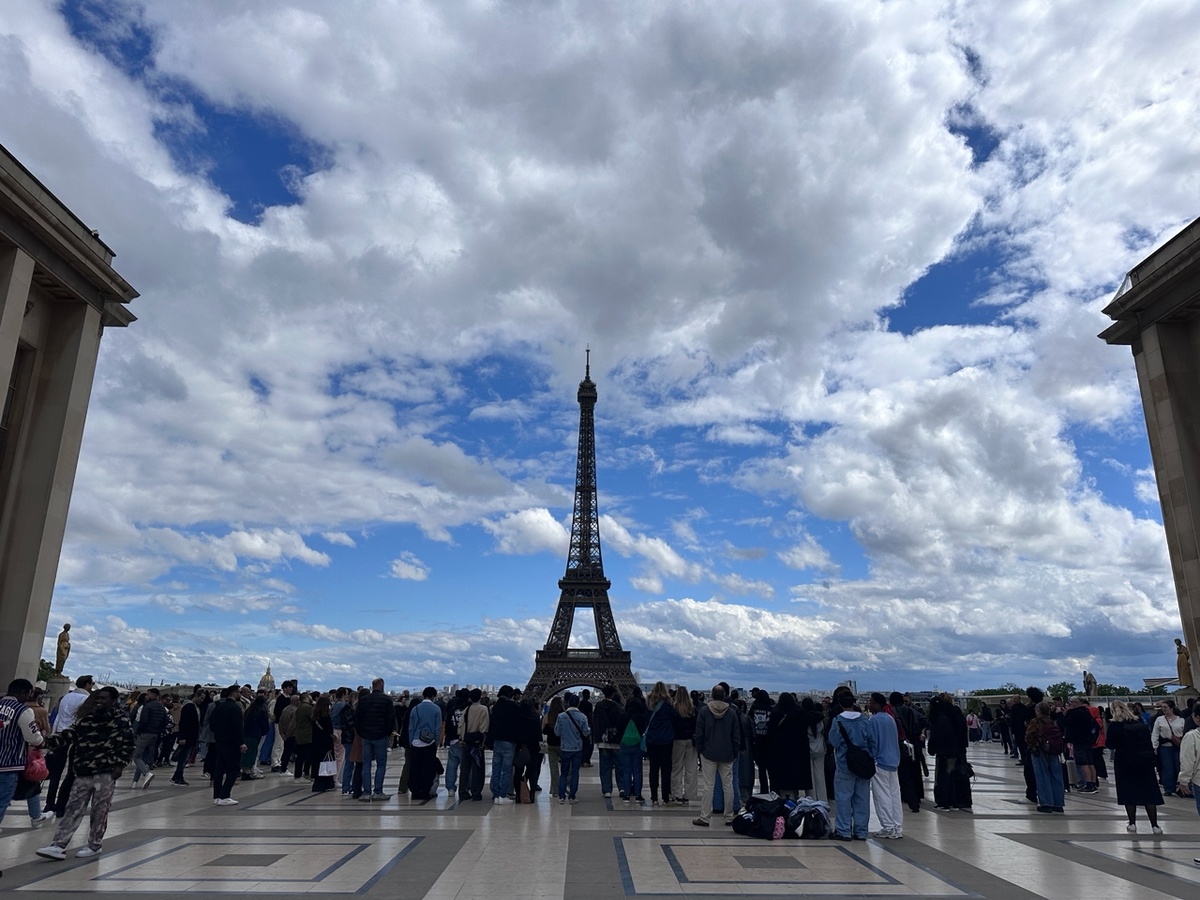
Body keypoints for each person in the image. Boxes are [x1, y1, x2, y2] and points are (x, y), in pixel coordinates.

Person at [34, 686, 133, 860]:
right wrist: (45, 742)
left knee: (99, 810)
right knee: (73, 807)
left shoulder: (121, 720)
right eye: (97, 698)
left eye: (103, 698)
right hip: (84, 770)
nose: (99, 701)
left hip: (105, 771)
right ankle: (58, 845)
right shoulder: (86, 719)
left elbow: (128, 744)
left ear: (113, 701)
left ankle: (94, 844)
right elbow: (69, 734)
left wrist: (119, 766)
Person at [1107, 700, 1163, 834]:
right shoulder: (1139, 723)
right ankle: (1155, 825)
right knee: (1149, 794)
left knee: (1128, 793)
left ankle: (1132, 823)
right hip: (1144, 761)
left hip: (1124, 762)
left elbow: (1110, 744)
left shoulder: (1115, 726)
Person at [691, 684, 741, 827]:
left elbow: (699, 733)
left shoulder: (704, 711)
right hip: (727, 753)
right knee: (728, 785)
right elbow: (736, 735)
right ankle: (729, 816)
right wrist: (734, 751)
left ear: (711, 695)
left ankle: (705, 816)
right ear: (725, 695)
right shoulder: (731, 712)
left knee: (708, 786)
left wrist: (701, 750)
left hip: (708, 752)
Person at [828, 690, 874, 840]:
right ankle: (861, 831)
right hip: (863, 762)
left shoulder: (838, 720)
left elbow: (833, 741)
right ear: (854, 702)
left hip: (845, 763)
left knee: (843, 797)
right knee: (862, 797)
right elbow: (872, 741)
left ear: (840, 703)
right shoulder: (864, 720)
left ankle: (843, 830)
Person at [0, 679, 46, 830]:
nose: (28, 698)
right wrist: (41, 741)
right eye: (28, 694)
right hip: (10, 762)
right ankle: (36, 816)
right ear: (22, 693)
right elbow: (33, 737)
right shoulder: (22, 710)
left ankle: (37, 815)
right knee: (2, 799)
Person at [44, 675, 93, 814]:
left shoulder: (66, 697)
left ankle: (50, 802)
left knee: (56, 772)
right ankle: (61, 805)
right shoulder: (85, 699)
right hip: (75, 736)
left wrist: (54, 734)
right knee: (71, 772)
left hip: (60, 734)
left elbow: (59, 716)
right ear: (87, 685)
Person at [927, 694, 972, 810]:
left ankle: (944, 801)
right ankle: (957, 800)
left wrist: (932, 748)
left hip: (946, 751)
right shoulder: (955, 713)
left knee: (943, 776)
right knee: (955, 775)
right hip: (957, 750)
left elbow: (938, 735)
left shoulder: (941, 716)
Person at [868, 692, 903, 838]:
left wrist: (872, 757)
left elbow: (872, 742)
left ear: (876, 704)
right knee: (894, 794)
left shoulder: (873, 720)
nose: (868, 704)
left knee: (882, 795)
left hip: (880, 762)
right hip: (893, 761)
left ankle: (888, 827)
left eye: (870, 702)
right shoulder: (890, 718)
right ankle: (897, 826)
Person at [765, 692, 811, 800]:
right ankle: (795, 796)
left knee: (783, 778)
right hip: (798, 749)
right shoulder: (799, 713)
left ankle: (785, 800)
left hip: (780, 749)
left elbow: (770, 730)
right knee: (795, 776)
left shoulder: (776, 713)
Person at [357, 678, 396, 802]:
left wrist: (361, 732)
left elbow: (357, 717)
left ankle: (366, 792)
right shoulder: (386, 700)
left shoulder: (363, 700)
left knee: (366, 765)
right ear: (382, 685)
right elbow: (390, 718)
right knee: (381, 764)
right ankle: (378, 791)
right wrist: (388, 732)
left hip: (366, 735)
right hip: (380, 735)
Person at [208, 685, 247, 806]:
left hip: (220, 741)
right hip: (232, 743)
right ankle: (225, 795)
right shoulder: (235, 708)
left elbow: (212, 725)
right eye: (239, 692)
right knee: (233, 769)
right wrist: (241, 742)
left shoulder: (218, 707)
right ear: (234, 693)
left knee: (219, 770)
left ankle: (217, 796)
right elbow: (237, 728)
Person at [1026, 700, 1065, 813]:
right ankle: (1058, 803)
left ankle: (1046, 802)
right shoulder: (1052, 721)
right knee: (1056, 776)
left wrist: (1031, 744)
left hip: (1039, 750)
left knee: (1042, 776)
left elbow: (1029, 736)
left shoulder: (1035, 721)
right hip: (1053, 750)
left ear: (1038, 711)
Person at [644, 681, 676, 806]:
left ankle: (653, 797)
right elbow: (674, 720)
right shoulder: (668, 706)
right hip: (666, 741)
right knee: (666, 769)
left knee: (653, 769)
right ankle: (666, 797)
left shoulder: (648, 705)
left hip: (652, 740)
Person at [554, 693, 590, 804]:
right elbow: (585, 732)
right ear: (578, 703)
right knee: (575, 773)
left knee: (563, 773)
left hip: (565, 748)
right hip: (577, 748)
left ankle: (561, 796)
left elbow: (557, 732)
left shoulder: (561, 716)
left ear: (568, 703)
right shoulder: (583, 717)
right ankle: (572, 797)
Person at [408, 687, 443, 800]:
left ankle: (414, 791)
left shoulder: (415, 709)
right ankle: (425, 791)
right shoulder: (436, 709)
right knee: (427, 769)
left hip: (416, 741)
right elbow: (438, 728)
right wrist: (436, 743)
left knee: (415, 768)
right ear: (433, 696)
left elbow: (411, 727)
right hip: (429, 742)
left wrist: (411, 741)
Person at [488, 685, 521, 804]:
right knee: (506, 770)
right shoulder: (514, 706)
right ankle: (503, 794)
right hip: (509, 741)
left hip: (497, 741)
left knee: (496, 769)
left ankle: (496, 795)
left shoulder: (495, 707)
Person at [618, 686, 650, 804]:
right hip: (637, 745)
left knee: (626, 770)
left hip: (625, 744)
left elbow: (619, 729)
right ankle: (638, 795)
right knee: (637, 770)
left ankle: (626, 795)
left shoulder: (623, 715)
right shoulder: (641, 717)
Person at [131, 688, 166, 789]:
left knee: (136, 756)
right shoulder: (162, 707)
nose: (146, 696)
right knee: (143, 758)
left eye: (148, 694)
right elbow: (164, 722)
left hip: (145, 733)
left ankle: (146, 774)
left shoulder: (147, 706)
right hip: (155, 735)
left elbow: (143, 721)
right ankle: (135, 781)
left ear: (152, 694)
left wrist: (138, 732)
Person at [593, 685, 625, 799]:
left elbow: (595, 723)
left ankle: (607, 790)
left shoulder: (598, 706)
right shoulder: (617, 707)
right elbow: (621, 723)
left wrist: (596, 739)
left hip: (603, 741)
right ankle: (622, 787)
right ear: (612, 694)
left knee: (605, 767)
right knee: (620, 766)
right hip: (616, 741)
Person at [458, 689, 489, 802]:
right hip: (477, 743)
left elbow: (461, 726)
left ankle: (463, 792)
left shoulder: (467, 709)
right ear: (480, 697)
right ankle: (476, 792)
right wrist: (483, 743)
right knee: (478, 769)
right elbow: (484, 728)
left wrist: (461, 739)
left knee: (465, 768)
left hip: (467, 741)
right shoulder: (483, 709)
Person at [1063, 696, 1099, 793]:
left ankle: (1088, 784)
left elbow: (1066, 723)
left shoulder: (1075, 713)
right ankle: (1093, 783)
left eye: (1070, 703)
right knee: (1090, 763)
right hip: (1088, 740)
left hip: (1079, 740)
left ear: (1075, 702)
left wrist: (1066, 713)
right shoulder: (1086, 712)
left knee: (1083, 763)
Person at [1151, 699, 1185, 796]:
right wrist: (1154, 746)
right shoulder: (1160, 720)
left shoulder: (1181, 720)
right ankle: (1169, 788)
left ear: (1172, 708)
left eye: (1165, 707)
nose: (1163, 709)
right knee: (1167, 767)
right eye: (1162, 708)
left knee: (1179, 766)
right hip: (1165, 746)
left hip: (1178, 746)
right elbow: (1155, 733)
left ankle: (1181, 787)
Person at [670, 686, 697, 805]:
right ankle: (689, 794)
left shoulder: (674, 708)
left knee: (676, 768)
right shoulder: (692, 708)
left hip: (677, 739)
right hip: (690, 740)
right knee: (691, 769)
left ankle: (676, 793)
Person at [801, 697, 828, 802]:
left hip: (807, 748)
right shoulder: (819, 718)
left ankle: (811, 798)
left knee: (810, 776)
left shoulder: (802, 718)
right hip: (820, 748)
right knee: (820, 775)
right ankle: (822, 798)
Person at [310, 694, 336, 793]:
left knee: (318, 763)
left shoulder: (315, 716)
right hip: (325, 742)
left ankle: (318, 783)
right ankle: (327, 783)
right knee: (326, 763)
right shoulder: (326, 717)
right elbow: (328, 730)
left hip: (316, 742)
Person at [541, 696, 565, 799]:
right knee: (566, 767)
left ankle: (555, 790)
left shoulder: (548, 715)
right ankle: (563, 788)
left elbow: (543, 730)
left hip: (551, 744)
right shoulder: (564, 715)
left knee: (554, 769)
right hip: (563, 745)